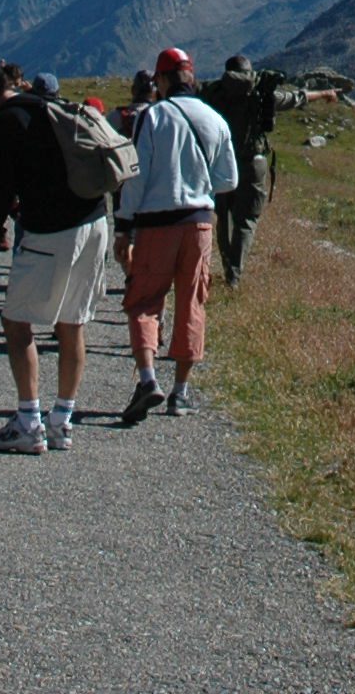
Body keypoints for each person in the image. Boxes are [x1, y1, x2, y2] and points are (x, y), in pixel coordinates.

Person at [0, 60, 130, 453]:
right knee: (73, 322)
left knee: (16, 322)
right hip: (94, 222)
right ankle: (62, 420)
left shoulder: (4, 124)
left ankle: (28, 420)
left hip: (50, 231)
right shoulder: (49, 106)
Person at [117, 47, 239, 425]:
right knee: (193, 301)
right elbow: (229, 180)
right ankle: (180, 392)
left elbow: (136, 176)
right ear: (192, 76)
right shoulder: (216, 120)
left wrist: (124, 226)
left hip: (157, 222)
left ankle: (148, 378)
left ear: (163, 80)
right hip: (200, 222)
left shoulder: (154, 117)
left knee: (144, 300)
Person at [201, 56, 338, 286]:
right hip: (254, 162)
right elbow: (297, 98)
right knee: (246, 220)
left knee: (223, 215)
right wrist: (325, 94)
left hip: (222, 162)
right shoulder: (261, 93)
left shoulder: (214, 92)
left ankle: (226, 263)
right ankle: (233, 276)